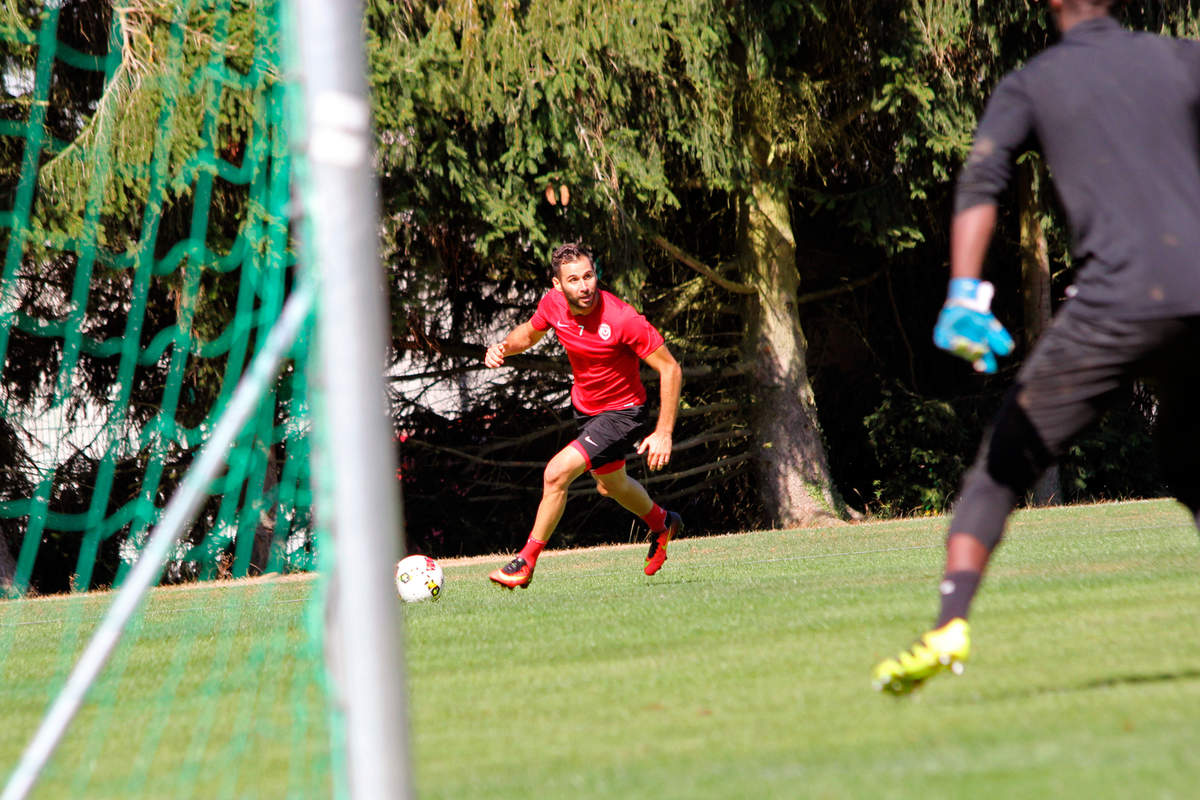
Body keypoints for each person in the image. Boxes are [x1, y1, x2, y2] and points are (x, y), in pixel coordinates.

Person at [873, 0, 1200, 694]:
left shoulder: (1033, 83)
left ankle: (949, 624)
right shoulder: (1182, 59)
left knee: (999, 469)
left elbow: (983, 178)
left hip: (1113, 304)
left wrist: (965, 293)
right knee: (1187, 450)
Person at [483, 243, 684, 589]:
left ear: (596, 276)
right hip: (586, 410)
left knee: (556, 473)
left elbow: (670, 368)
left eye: (588, 276)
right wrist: (503, 347)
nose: (584, 286)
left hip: (623, 412)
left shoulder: (622, 318)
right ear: (558, 285)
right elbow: (530, 333)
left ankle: (525, 562)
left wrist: (663, 432)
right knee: (611, 485)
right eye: (573, 279)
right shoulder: (553, 305)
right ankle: (663, 523)